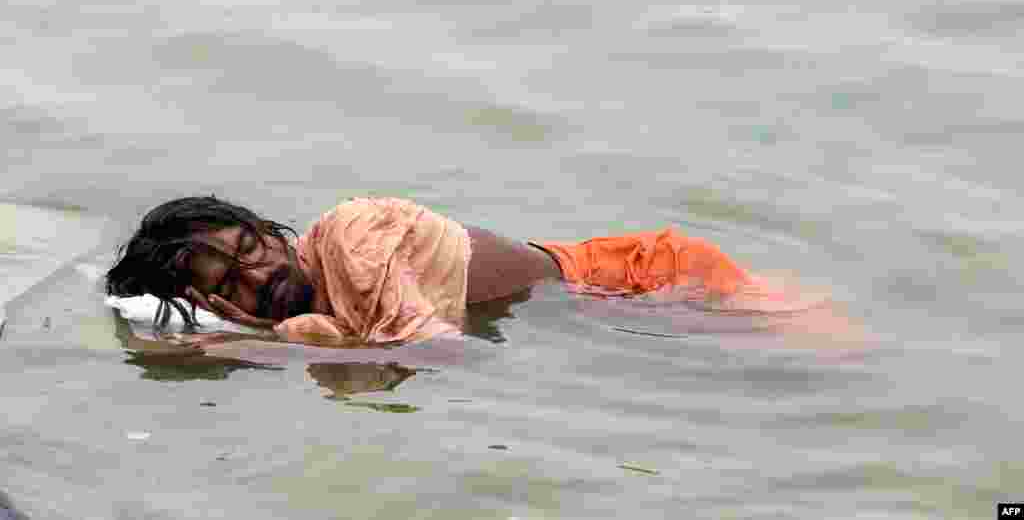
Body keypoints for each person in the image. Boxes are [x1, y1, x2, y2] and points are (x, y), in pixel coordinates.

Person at [106, 196, 768, 347]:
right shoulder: (321, 305)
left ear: (268, 231)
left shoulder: (350, 241)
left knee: (836, 359)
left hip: (654, 279)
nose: (253, 276)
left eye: (247, 247)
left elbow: (443, 356)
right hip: (619, 319)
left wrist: (257, 343)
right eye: (225, 286)